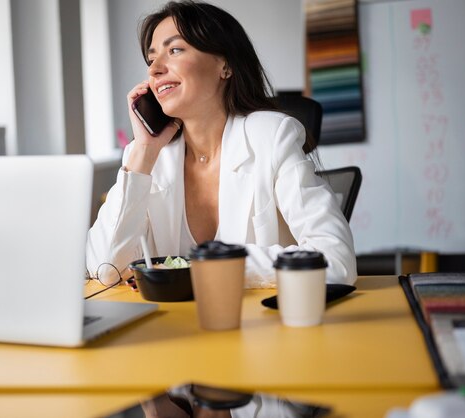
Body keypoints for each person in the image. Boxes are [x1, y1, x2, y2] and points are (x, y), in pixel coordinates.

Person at [86, 0, 357, 288]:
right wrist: (143, 152)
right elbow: (106, 268)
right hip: (178, 328)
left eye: (175, 50)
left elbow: (337, 260)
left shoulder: (272, 136)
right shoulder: (150, 157)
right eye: (151, 59)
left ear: (225, 65)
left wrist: (214, 269)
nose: (154, 70)